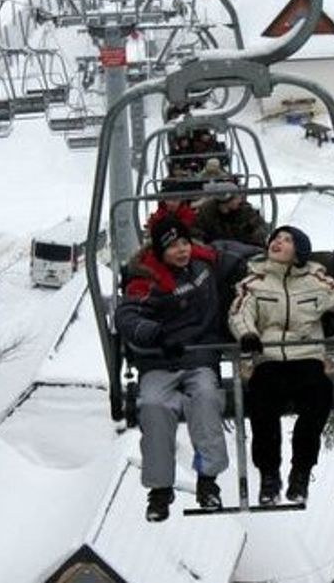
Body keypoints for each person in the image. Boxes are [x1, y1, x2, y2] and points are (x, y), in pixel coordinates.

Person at [115, 215, 255, 522]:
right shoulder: (146, 279)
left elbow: (232, 252)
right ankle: (160, 489)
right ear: (159, 251)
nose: (181, 251)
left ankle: (208, 481)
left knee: (206, 399)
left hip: (199, 357)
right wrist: (155, 335)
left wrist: (263, 250)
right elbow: (126, 316)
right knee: (153, 407)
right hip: (160, 361)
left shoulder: (204, 265)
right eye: (173, 246)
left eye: (184, 243)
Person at [227, 225, 334, 505]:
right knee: (262, 403)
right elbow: (239, 311)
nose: (278, 243)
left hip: (306, 356)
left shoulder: (317, 280)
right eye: (276, 238)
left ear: (299, 250)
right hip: (269, 358)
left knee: (318, 395)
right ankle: (269, 475)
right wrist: (247, 334)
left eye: (287, 240)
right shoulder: (254, 280)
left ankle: (301, 472)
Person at [193, 181, 269, 247]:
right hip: (216, 249)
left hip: (242, 247)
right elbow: (196, 231)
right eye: (236, 198)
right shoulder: (207, 212)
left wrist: (251, 239)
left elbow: (261, 227)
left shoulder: (245, 210)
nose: (240, 200)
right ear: (226, 201)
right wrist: (203, 245)